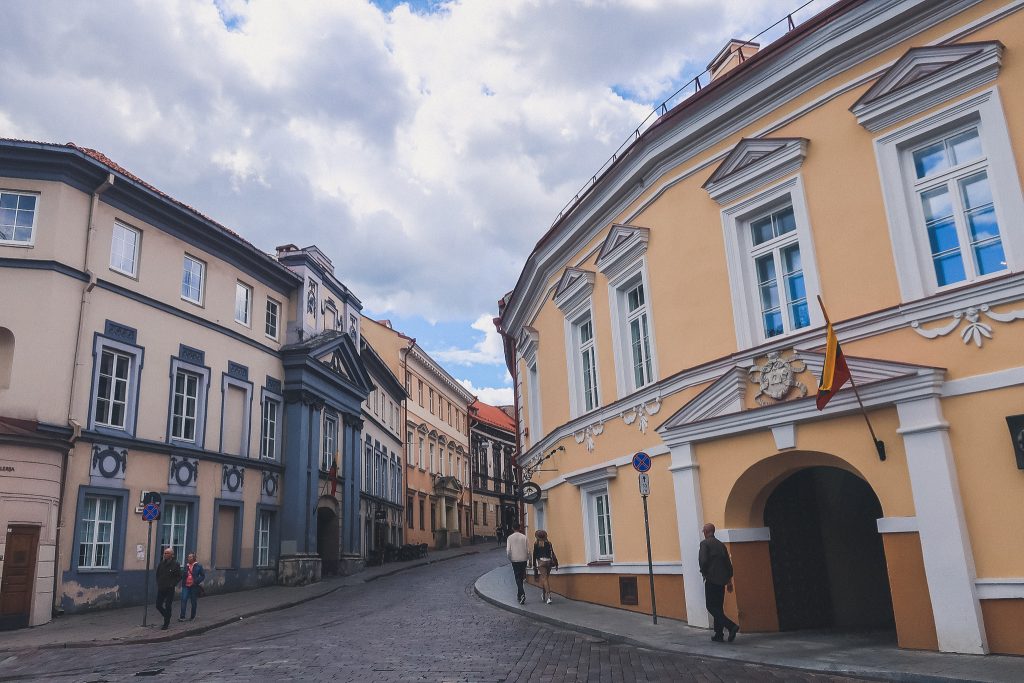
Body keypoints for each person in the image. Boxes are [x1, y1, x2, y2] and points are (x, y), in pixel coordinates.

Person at [699, 523, 739, 643]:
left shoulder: (705, 544)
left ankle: (731, 626)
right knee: (718, 607)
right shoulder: (721, 545)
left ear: (706, 532)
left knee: (711, 606)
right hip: (722, 581)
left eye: (703, 531)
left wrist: (704, 572)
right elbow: (728, 565)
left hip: (711, 579)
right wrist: (728, 581)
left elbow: (703, 560)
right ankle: (719, 634)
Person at [155, 547, 182, 630]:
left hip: (169, 588)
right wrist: (159, 582)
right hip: (161, 587)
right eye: (164, 553)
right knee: (158, 605)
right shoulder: (161, 563)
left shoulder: (175, 564)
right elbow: (158, 574)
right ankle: (167, 615)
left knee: (168, 605)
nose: (165, 555)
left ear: (171, 555)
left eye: (167, 553)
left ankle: (166, 623)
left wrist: (172, 584)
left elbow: (179, 576)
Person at [532, 529, 558, 605]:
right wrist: (556, 563)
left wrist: (534, 565)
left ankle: (549, 597)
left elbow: (534, 555)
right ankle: (543, 594)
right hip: (549, 562)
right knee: (545, 579)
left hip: (541, 563)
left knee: (545, 579)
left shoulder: (536, 544)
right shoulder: (549, 543)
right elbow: (553, 553)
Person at [178, 552, 206, 622]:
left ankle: (192, 616)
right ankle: (182, 616)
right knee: (183, 600)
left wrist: (196, 581)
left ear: (194, 558)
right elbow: (183, 575)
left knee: (193, 601)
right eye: (188, 557)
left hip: (194, 586)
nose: (188, 558)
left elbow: (202, 576)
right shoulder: (186, 566)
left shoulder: (198, 566)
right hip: (186, 586)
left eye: (190, 557)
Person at [506, 523, 529, 605]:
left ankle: (522, 594)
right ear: (519, 528)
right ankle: (519, 595)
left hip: (515, 560)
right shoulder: (524, 537)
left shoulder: (510, 538)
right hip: (523, 559)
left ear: (512, 528)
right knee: (521, 577)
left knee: (517, 577)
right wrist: (528, 558)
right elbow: (528, 550)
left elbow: (508, 551)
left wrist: (510, 558)